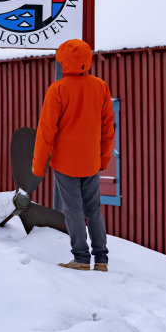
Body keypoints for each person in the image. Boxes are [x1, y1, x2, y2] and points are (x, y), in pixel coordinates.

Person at [32, 38, 115, 271]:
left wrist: (39, 167)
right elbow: (108, 127)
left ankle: (80, 258)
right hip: (91, 160)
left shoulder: (57, 89)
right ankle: (101, 260)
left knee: (74, 210)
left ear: (64, 61)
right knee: (94, 209)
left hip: (65, 162)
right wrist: (104, 158)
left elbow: (45, 131)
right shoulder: (100, 86)